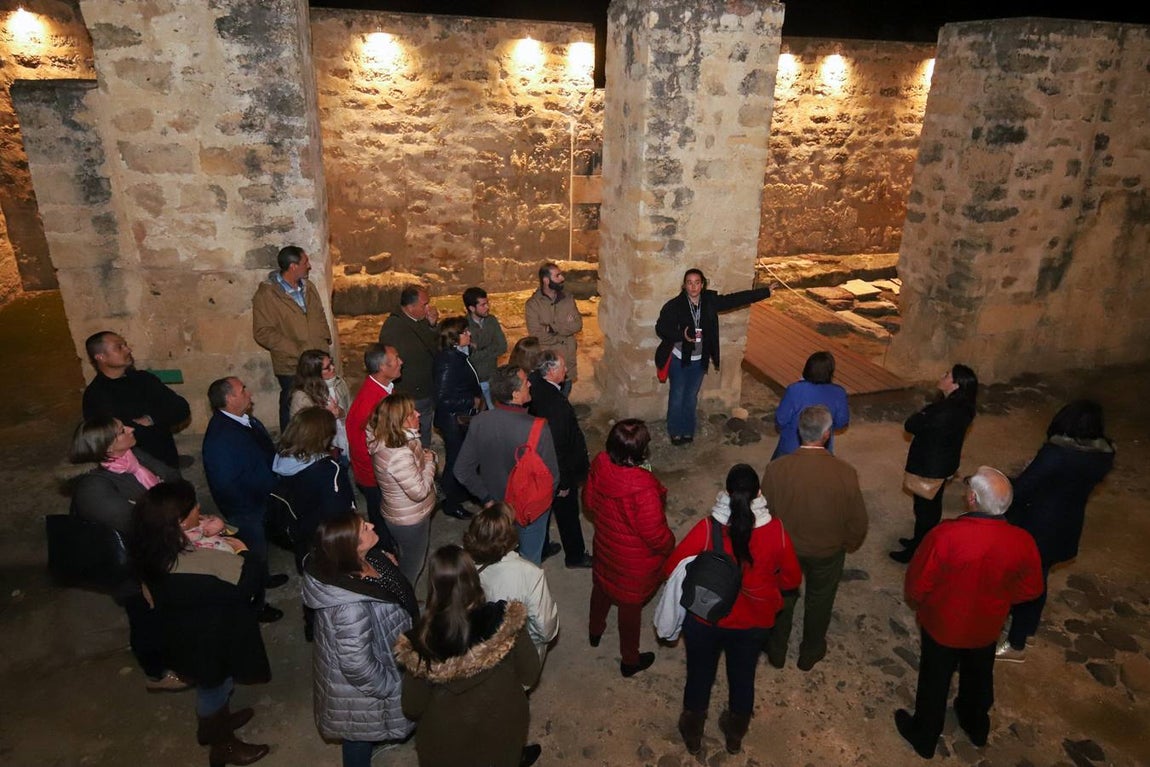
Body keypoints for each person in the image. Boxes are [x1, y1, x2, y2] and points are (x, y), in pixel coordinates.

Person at [896, 466, 1043, 759]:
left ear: (972, 498)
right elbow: (1032, 589)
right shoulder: (1023, 540)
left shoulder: (945, 535)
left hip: (942, 625)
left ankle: (925, 736)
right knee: (978, 675)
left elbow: (917, 585)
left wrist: (923, 603)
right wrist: (999, 600)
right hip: (986, 626)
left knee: (935, 679)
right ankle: (975, 725)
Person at [130, 480, 272, 767]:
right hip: (204, 643)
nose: (199, 507)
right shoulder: (191, 572)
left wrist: (216, 532)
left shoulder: (155, 545)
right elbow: (245, 586)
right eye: (193, 506)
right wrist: (244, 552)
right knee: (213, 689)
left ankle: (216, 724)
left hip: (189, 632)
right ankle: (222, 744)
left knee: (217, 684)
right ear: (180, 522)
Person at [664, 464, 802, 755]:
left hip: (706, 620)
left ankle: (693, 731)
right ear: (759, 494)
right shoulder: (776, 531)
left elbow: (672, 567)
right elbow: (791, 580)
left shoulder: (707, 529)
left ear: (726, 493)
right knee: (743, 677)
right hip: (753, 624)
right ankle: (735, 733)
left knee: (699, 674)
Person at [394, 545, 542, 767]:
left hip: (446, 744)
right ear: (474, 579)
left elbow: (412, 707)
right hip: (504, 725)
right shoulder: (505, 620)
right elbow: (530, 673)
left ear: (433, 586)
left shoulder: (421, 644)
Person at [68, 416, 184, 691]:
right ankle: (156, 673)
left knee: (162, 610)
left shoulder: (131, 455)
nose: (131, 429)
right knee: (144, 616)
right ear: (107, 447)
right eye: (122, 430)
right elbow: (137, 525)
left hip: (154, 552)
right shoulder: (93, 487)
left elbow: (172, 476)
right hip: (131, 568)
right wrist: (166, 506)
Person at [997, 399, 1116, 662]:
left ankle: (1016, 643)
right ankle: (1027, 628)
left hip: (1038, 525)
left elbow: (1024, 488)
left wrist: (1006, 483)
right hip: (1067, 523)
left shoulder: (1056, 453)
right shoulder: (1104, 455)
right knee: (1039, 577)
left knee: (1026, 582)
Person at [301, 512, 420, 767]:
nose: (372, 525)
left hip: (385, 654)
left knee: (362, 728)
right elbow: (356, 664)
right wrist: (390, 688)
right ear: (351, 547)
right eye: (364, 528)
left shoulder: (364, 560)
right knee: (358, 731)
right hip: (362, 690)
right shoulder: (349, 609)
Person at [762, 405, 868, 671]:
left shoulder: (776, 469)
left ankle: (776, 649)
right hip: (827, 551)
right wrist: (848, 543)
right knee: (820, 599)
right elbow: (857, 521)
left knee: (783, 596)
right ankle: (810, 651)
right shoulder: (845, 472)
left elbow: (764, 514)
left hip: (786, 550)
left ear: (799, 431)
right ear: (827, 434)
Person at [582, 418, 673, 678]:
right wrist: (670, 544)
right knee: (629, 608)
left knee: (602, 587)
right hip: (633, 562)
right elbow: (655, 536)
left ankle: (595, 631)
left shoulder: (600, 464)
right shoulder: (644, 488)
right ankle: (630, 661)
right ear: (641, 451)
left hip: (606, 546)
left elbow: (588, 502)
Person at [454, 364, 560, 564]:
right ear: (515, 394)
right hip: (529, 509)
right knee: (529, 563)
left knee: (499, 560)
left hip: (496, 507)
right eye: (525, 382)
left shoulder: (479, 422)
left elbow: (461, 470)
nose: (530, 384)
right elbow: (552, 478)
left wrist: (486, 498)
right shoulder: (538, 428)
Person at [655, 268, 774, 445]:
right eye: (689, 283)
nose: (693, 286)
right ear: (684, 285)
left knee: (691, 397)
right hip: (679, 360)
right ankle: (675, 431)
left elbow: (735, 299)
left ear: (702, 284)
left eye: (697, 282)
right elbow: (661, 328)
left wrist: (765, 292)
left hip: (699, 361)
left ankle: (687, 430)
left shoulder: (709, 301)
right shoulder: (674, 305)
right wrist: (681, 335)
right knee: (677, 396)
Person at [202, 376, 288, 605]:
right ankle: (257, 605)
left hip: (261, 500)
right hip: (247, 508)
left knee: (261, 550)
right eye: (243, 390)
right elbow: (225, 482)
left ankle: (265, 578)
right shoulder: (220, 437)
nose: (249, 393)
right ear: (230, 399)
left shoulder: (244, 420)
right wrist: (252, 505)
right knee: (252, 555)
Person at [889, 364, 979, 564]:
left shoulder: (942, 411)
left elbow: (910, 425)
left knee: (925, 510)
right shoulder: (965, 408)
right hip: (944, 464)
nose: (942, 376)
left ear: (955, 385)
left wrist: (923, 413)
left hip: (930, 466)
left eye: (947, 375)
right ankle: (919, 541)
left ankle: (918, 550)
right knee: (931, 505)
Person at [252, 245, 333, 432]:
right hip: (291, 363)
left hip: (317, 360)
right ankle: (290, 442)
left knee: (320, 402)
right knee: (292, 407)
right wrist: (297, 350)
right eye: (305, 262)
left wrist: (324, 337)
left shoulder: (308, 287)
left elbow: (319, 314)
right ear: (293, 266)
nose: (309, 266)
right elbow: (262, 331)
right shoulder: (267, 295)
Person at [464, 504, 559, 662]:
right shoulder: (530, 574)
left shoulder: (459, 564)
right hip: (516, 654)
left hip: (476, 647)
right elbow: (545, 628)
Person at [81, 331, 191, 469]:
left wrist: (150, 419)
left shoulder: (143, 378)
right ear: (101, 357)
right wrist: (160, 419)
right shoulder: (95, 395)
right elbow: (115, 438)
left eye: (125, 345)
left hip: (167, 462)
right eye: (119, 347)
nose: (128, 350)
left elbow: (181, 408)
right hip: (132, 471)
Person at [528, 351, 592, 568]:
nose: (566, 370)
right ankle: (575, 556)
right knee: (568, 514)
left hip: (540, 464)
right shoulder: (556, 405)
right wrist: (564, 482)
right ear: (550, 371)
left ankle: (543, 546)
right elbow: (558, 447)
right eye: (562, 367)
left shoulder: (535, 384)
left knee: (544, 508)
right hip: (557, 471)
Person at [271, 407, 355, 572]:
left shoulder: (282, 459)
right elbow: (341, 515)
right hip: (329, 542)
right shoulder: (329, 471)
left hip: (302, 535)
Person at [368, 393, 438, 585]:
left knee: (405, 554)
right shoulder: (398, 454)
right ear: (399, 421)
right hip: (410, 519)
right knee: (412, 564)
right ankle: (406, 596)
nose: (418, 414)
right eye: (411, 413)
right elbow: (419, 492)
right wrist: (431, 462)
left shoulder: (390, 438)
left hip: (400, 511)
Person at [346, 344, 403, 531]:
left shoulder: (384, 389)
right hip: (375, 476)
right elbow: (362, 446)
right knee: (381, 518)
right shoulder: (370, 402)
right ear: (382, 367)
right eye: (396, 359)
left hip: (380, 472)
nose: (401, 362)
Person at [432, 316, 483, 521]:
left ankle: (461, 493)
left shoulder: (457, 355)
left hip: (460, 418)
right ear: (453, 338)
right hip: (454, 421)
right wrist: (471, 401)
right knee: (456, 461)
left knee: (464, 458)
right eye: (464, 332)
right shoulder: (447, 361)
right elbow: (442, 398)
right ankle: (451, 503)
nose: (469, 334)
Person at [378, 284, 439, 448]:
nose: (428, 308)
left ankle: (424, 453)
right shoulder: (393, 328)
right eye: (424, 305)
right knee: (411, 434)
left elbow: (433, 345)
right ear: (411, 307)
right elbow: (389, 363)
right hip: (411, 392)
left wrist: (432, 325)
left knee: (424, 430)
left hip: (426, 388)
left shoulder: (420, 321)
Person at [771, 351, 850, 459]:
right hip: (822, 449)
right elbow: (842, 422)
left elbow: (781, 419)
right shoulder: (839, 392)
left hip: (790, 449)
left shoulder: (794, 389)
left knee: (776, 466)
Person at [524, 263, 582, 397]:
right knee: (548, 399)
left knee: (564, 396)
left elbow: (577, 325)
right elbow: (536, 335)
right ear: (546, 280)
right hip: (548, 365)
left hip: (567, 361)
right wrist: (564, 334)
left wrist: (552, 328)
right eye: (557, 276)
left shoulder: (568, 299)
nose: (562, 278)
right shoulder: (533, 305)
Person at [289, 349, 351, 462]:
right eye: (327, 367)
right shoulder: (301, 398)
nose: (333, 368)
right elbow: (304, 434)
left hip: (343, 443)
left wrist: (340, 412)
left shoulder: (339, 383)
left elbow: (349, 412)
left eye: (332, 363)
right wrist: (326, 416)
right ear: (315, 373)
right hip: (320, 453)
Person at [463, 286, 508, 411]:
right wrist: (490, 349)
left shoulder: (491, 321)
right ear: (472, 308)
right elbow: (470, 357)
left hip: (492, 377)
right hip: (475, 382)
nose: (487, 307)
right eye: (483, 305)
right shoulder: (464, 326)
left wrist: (478, 348)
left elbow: (502, 346)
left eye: (487, 303)